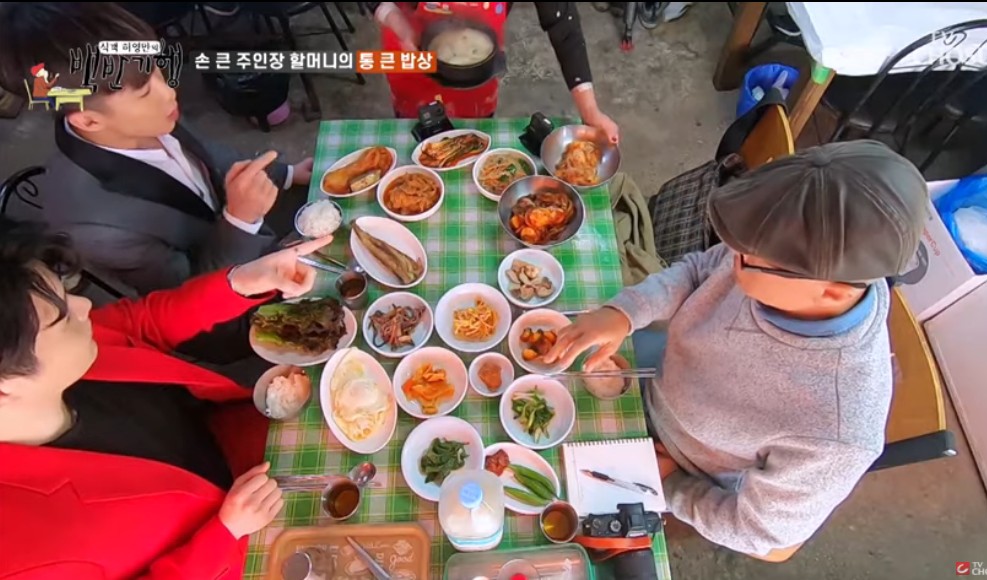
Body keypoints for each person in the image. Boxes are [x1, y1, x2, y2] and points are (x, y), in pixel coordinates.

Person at [544, 141, 929, 561]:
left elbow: (766, 538)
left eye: (745, 259)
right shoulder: (783, 251)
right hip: (662, 382)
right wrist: (624, 313)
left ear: (833, 291)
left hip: (678, 473)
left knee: (556, 520)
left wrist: (672, 485)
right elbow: (698, 269)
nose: (733, 259)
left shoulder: (836, 431)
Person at [0, 216, 333, 579]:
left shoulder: (64, 349)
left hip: (246, 440)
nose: (84, 308)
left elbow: (141, 321)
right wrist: (225, 533)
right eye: (62, 319)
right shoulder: (20, 549)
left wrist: (243, 281)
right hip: (251, 555)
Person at [0, 2, 316, 296]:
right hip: (235, 303)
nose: (169, 93)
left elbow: (210, 156)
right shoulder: (93, 227)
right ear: (89, 120)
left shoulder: (146, 116)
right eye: (143, 92)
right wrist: (240, 220)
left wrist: (287, 173)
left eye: (156, 71)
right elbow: (190, 295)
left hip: (257, 241)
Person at [364, 2, 620, 142]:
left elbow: (562, 22)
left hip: (477, 69)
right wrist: (395, 19)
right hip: (411, 52)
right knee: (417, 144)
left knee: (469, 144)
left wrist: (590, 110)